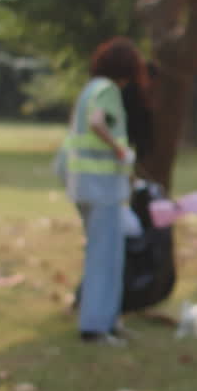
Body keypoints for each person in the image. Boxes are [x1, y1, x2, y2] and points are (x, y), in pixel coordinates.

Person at [59, 37, 146, 345]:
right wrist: (121, 151)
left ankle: (109, 320)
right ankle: (96, 326)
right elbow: (98, 124)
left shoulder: (88, 90)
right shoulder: (108, 91)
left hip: (83, 186)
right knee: (105, 256)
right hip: (102, 188)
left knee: (106, 253)